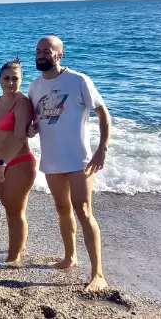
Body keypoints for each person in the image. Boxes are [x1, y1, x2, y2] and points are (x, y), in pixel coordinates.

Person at [28, 37, 111, 291]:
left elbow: (103, 115)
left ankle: (98, 273)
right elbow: (36, 121)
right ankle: (69, 257)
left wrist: (102, 150)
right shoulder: (34, 87)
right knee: (62, 209)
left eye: (47, 51)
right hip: (51, 159)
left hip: (78, 158)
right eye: (38, 50)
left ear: (59, 55)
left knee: (84, 211)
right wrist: (31, 129)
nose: (41, 54)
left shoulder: (78, 81)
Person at [0, 60, 37, 265]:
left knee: (15, 211)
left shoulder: (22, 103)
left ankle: (13, 257)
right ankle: (19, 248)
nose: (11, 83)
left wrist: (1, 162)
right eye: (6, 78)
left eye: (15, 79)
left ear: (21, 80)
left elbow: (19, 138)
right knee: (9, 208)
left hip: (17, 163)